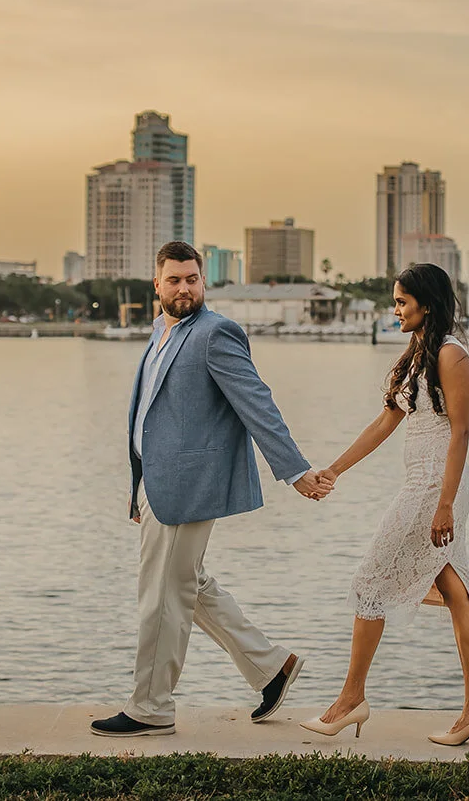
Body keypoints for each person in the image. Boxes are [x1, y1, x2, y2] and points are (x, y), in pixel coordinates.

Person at [90, 241, 335, 738]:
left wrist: (294, 471)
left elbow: (256, 404)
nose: (184, 288)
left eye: (192, 279)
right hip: (156, 485)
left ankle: (151, 706)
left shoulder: (215, 333)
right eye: (174, 280)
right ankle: (271, 668)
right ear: (156, 285)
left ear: (204, 282)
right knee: (189, 585)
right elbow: (149, 417)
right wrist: (140, 488)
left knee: (163, 595)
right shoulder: (161, 331)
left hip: (189, 487)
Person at [301, 263, 469, 746]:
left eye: (402, 302)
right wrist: (335, 469)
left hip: (435, 488)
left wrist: (445, 503)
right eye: (395, 301)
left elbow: (462, 430)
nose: (396, 309)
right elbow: (384, 424)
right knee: (454, 590)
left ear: (426, 303)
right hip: (423, 484)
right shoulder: (416, 355)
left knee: (370, 581)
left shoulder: (451, 355)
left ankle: (350, 700)